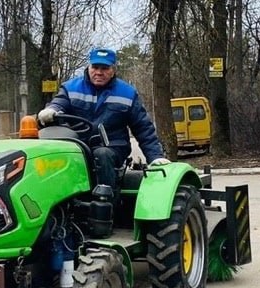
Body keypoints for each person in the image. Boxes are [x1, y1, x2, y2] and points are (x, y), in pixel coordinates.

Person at [37, 47, 167, 200]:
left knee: (102, 154)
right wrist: (52, 109)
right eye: (95, 67)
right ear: (89, 67)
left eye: (104, 68)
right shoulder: (71, 88)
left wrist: (155, 156)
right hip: (77, 146)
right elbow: (59, 103)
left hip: (112, 147)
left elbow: (143, 128)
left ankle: (105, 206)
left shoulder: (127, 93)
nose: (99, 72)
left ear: (113, 70)